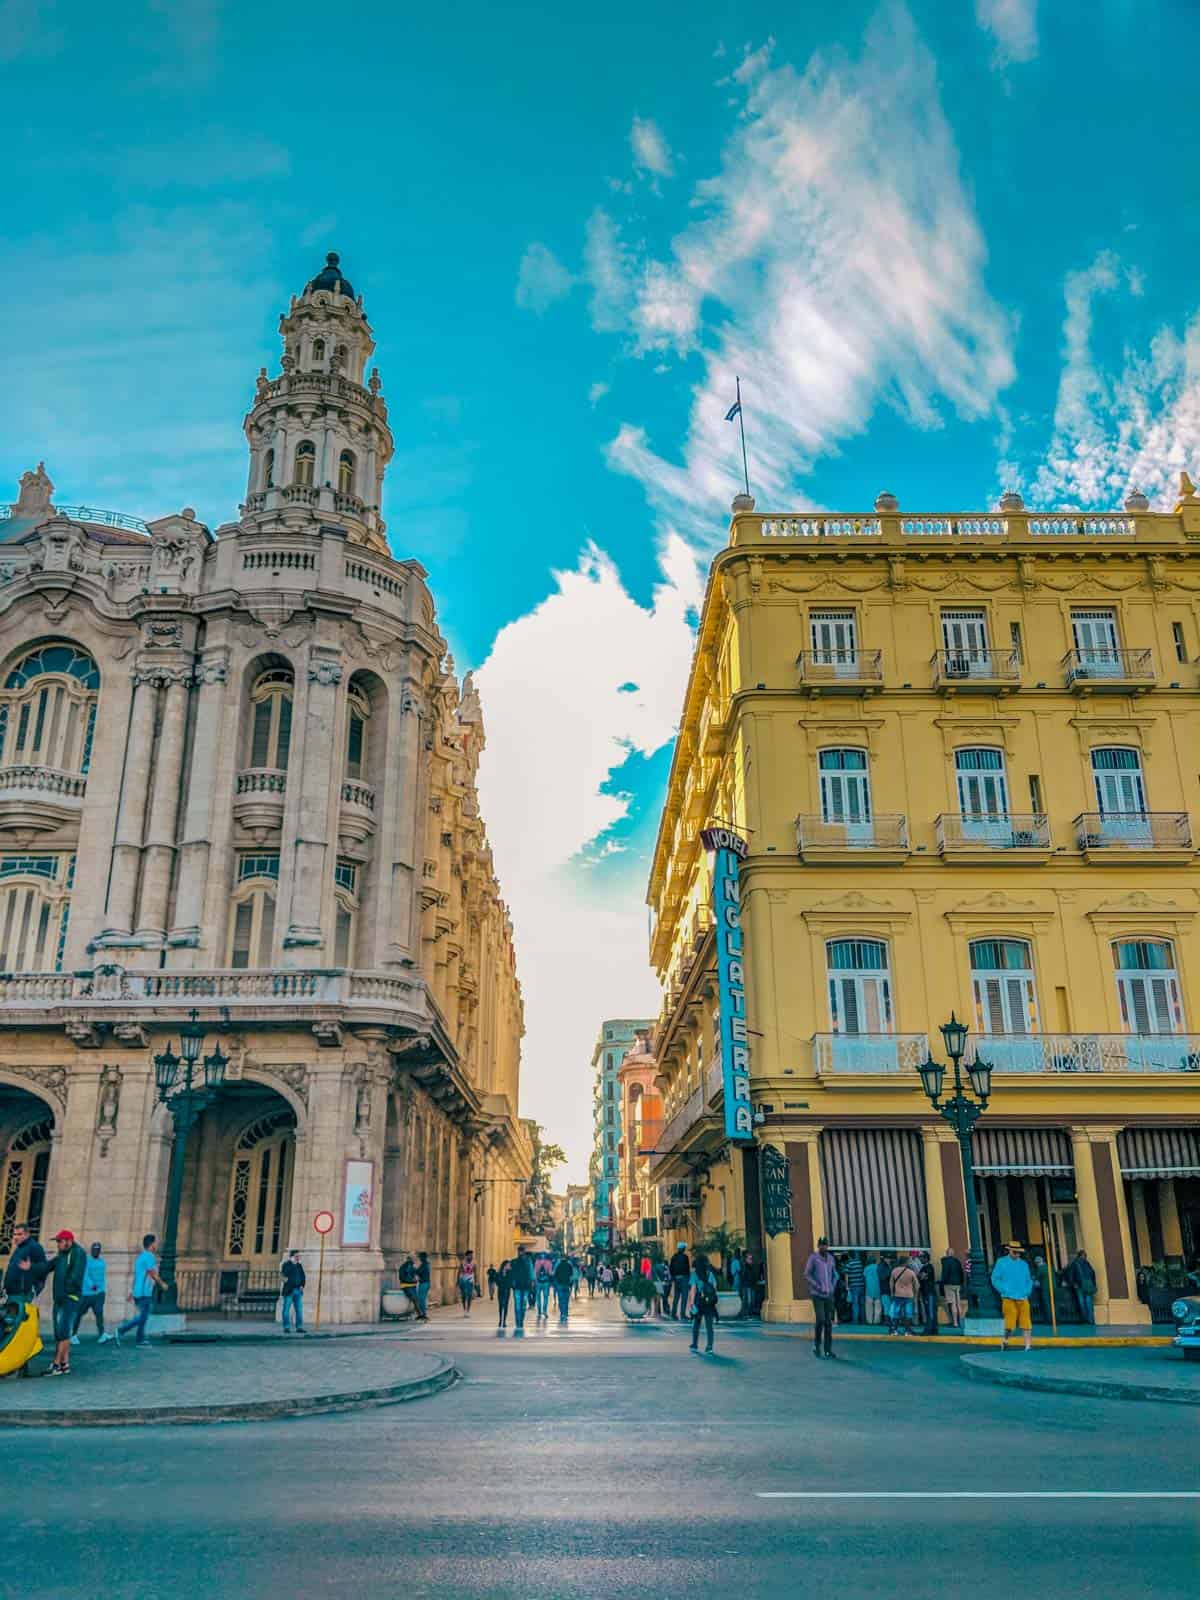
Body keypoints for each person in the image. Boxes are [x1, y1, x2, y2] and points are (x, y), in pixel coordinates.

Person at [30, 1230, 87, 1375]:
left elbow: (75, 1276)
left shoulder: (78, 1254)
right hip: (61, 1299)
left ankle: (56, 1364)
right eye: (57, 1242)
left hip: (70, 1299)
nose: (58, 1244)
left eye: (60, 1241)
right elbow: (46, 1267)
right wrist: (30, 1268)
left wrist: (66, 1291)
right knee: (62, 1333)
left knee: (63, 1332)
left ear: (68, 1241)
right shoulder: (61, 1256)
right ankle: (64, 1364)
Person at [114, 1233, 165, 1348]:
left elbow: (138, 1276)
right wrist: (162, 1284)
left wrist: (132, 1292)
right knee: (143, 1316)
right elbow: (152, 1273)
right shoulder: (149, 1256)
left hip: (139, 1291)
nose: (157, 1245)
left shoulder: (141, 1257)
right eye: (155, 1243)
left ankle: (139, 1339)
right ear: (151, 1244)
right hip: (144, 1292)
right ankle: (123, 1331)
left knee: (143, 1315)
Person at [991, 1240, 1034, 1352]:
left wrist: (1027, 1291)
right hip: (1008, 1297)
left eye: (1018, 1252)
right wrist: (1004, 1290)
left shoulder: (1024, 1264)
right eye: (1015, 1252)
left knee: (1026, 1322)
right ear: (1009, 1251)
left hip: (1023, 1296)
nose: (1017, 1254)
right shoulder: (1001, 1262)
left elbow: (1029, 1279)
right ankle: (1005, 1340)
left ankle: (1028, 1345)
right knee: (1010, 1323)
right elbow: (995, 1278)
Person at [804, 1236, 838, 1359]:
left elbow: (835, 1274)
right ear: (818, 1246)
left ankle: (828, 1349)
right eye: (821, 1245)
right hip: (817, 1294)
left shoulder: (831, 1259)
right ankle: (817, 1345)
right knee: (821, 1319)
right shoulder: (813, 1258)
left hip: (828, 1294)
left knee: (828, 1323)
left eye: (825, 1245)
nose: (824, 1247)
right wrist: (817, 1286)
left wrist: (832, 1286)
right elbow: (807, 1274)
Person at [74, 1241, 110, 1345]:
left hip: (99, 1294)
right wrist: (91, 1285)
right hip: (87, 1294)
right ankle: (73, 1335)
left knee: (99, 1314)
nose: (96, 1251)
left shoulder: (102, 1262)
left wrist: (102, 1290)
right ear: (91, 1250)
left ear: (100, 1251)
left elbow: (102, 1277)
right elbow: (85, 1275)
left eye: (98, 1249)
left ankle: (102, 1334)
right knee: (79, 1313)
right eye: (94, 1249)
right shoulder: (87, 1261)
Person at [3, 1222, 45, 1300]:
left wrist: (35, 1290)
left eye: (19, 1234)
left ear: (27, 1234)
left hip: (23, 1294)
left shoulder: (35, 1247)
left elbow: (44, 1268)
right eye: (15, 1234)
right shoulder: (19, 1249)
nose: (16, 1237)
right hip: (11, 1294)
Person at [688, 1251, 719, 1354]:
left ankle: (694, 1344)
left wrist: (691, 1303)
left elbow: (693, 1289)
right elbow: (714, 1287)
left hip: (699, 1302)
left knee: (696, 1324)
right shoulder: (710, 1274)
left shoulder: (694, 1274)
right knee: (709, 1325)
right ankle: (709, 1346)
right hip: (709, 1304)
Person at [888, 1254, 919, 1336]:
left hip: (897, 1295)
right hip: (909, 1295)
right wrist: (915, 1295)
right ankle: (907, 1331)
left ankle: (894, 1330)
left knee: (896, 1313)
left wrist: (891, 1293)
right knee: (908, 1313)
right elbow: (917, 1285)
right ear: (906, 1262)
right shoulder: (911, 1272)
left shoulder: (894, 1271)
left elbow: (891, 1283)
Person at [1065, 1249, 1097, 1323]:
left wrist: (1073, 1283)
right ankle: (1091, 1320)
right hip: (1088, 1285)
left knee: (1082, 1303)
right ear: (1083, 1256)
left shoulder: (1074, 1263)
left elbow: (1070, 1275)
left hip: (1079, 1285)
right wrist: (1093, 1284)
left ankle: (1085, 1319)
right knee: (1088, 1302)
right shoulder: (1087, 1263)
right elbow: (1092, 1273)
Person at [509, 1245, 534, 1330]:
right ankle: (518, 1322)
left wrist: (533, 1281)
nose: (521, 1253)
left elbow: (531, 1272)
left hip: (525, 1286)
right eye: (519, 1251)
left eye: (522, 1251)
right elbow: (511, 1273)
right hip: (517, 1287)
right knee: (517, 1305)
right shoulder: (514, 1261)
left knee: (523, 1305)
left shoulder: (528, 1261)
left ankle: (521, 1320)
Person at [280, 1250, 306, 1334]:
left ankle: (299, 1327)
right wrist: (292, 1263)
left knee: (299, 1310)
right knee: (286, 1309)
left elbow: (303, 1276)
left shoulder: (299, 1265)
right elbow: (283, 1275)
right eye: (296, 1256)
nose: (298, 1258)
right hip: (289, 1291)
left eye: (299, 1256)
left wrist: (302, 1285)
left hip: (298, 1290)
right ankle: (286, 1327)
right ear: (292, 1257)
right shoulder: (286, 1265)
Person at [939, 1248, 965, 1328]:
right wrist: (961, 1283)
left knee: (953, 1304)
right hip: (957, 1284)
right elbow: (961, 1272)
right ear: (953, 1253)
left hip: (949, 1284)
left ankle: (955, 1322)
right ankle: (961, 1321)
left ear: (947, 1253)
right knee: (958, 1303)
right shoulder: (957, 1261)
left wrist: (943, 1282)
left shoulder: (945, 1261)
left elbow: (945, 1273)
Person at [917, 1253, 939, 1335]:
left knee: (930, 1311)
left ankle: (929, 1329)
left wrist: (920, 1276)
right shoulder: (924, 1267)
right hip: (926, 1292)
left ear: (926, 1258)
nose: (920, 1259)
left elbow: (921, 1277)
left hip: (929, 1292)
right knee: (929, 1311)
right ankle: (933, 1329)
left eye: (921, 1258)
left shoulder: (928, 1267)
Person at [668, 1243, 691, 1320]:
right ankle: (682, 1314)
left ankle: (673, 1314)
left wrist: (673, 1277)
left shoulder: (673, 1257)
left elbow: (670, 1268)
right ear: (683, 1248)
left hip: (676, 1279)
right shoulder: (685, 1257)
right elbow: (687, 1269)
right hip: (684, 1278)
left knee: (676, 1297)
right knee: (684, 1297)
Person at [845, 1251, 866, 1324]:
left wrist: (847, 1285)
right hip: (862, 1286)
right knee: (862, 1304)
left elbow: (846, 1275)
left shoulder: (849, 1264)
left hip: (854, 1286)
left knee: (855, 1304)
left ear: (849, 1256)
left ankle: (855, 1321)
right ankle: (863, 1320)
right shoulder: (860, 1263)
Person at [553, 1254, 573, 1322]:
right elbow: (571, 1275)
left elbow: (555, 1275)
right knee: (566, 1300)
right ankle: (566, 1313)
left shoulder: (558, 1265)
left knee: (561, 1299)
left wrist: (555, 1284)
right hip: (566, 1284)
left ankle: (562, 1313)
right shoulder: (569, 1265)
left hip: (560, 1284)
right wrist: (570, 1283)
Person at [864, 1256, 882, 1325]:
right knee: (878, 1306)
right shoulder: (878, 1267)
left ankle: (869, 1321)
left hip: (868, 1289)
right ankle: (876, 1321)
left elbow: (864, 1277)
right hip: (878, 1288)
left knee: (868, 1306)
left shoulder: (866, 1268)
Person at [458, 1251, 477, 1315]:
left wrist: (476, 1282)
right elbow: (459, 1272)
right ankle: (464, 1309)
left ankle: (468, 1310)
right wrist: (458, 1281)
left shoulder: (474, 1263)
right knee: (463, 1296)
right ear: (466, 1256)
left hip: (470, 1281)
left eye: (472, 1255)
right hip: (463, 1280)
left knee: (469, 1296)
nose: (472, 1256)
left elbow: (475, 1273)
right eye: (470, 1255)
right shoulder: (462, 1263)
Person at [534, 1253, 553, 1320]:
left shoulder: (537, 1262)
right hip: (546, 1282)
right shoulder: (549, 1262)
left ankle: (539, 1312)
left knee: (538, 1298)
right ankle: (544, 1311)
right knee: (545, 1298)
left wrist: (535, 1282)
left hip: (538, 1282)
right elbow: (550, 1273)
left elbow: (535, 1273)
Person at [414, 1251, 431, 1321]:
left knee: (421, 1300)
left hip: (424, 1284)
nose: (419, 1258)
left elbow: (418, 1271)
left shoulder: (424, 1264)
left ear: (423, 1257)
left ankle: (424, 1315)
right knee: (422, 1299)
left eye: (420, 1257)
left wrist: (414, 1268)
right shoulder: (426, 1264)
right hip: (425, 1283)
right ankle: (422, 1314)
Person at [496, 1260, 513, 1328]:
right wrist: (501, 1284)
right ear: (505, 1265)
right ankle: (500, 1320)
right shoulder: (499, 1273)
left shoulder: (510, 1273)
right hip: (500, 1291)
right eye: (508, 1265)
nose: (509, 1266)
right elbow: (497, 1281)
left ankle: (504, 1321)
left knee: (505, 1306)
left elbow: (511, 1282)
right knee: (500, 1306)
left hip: (507, 1291)